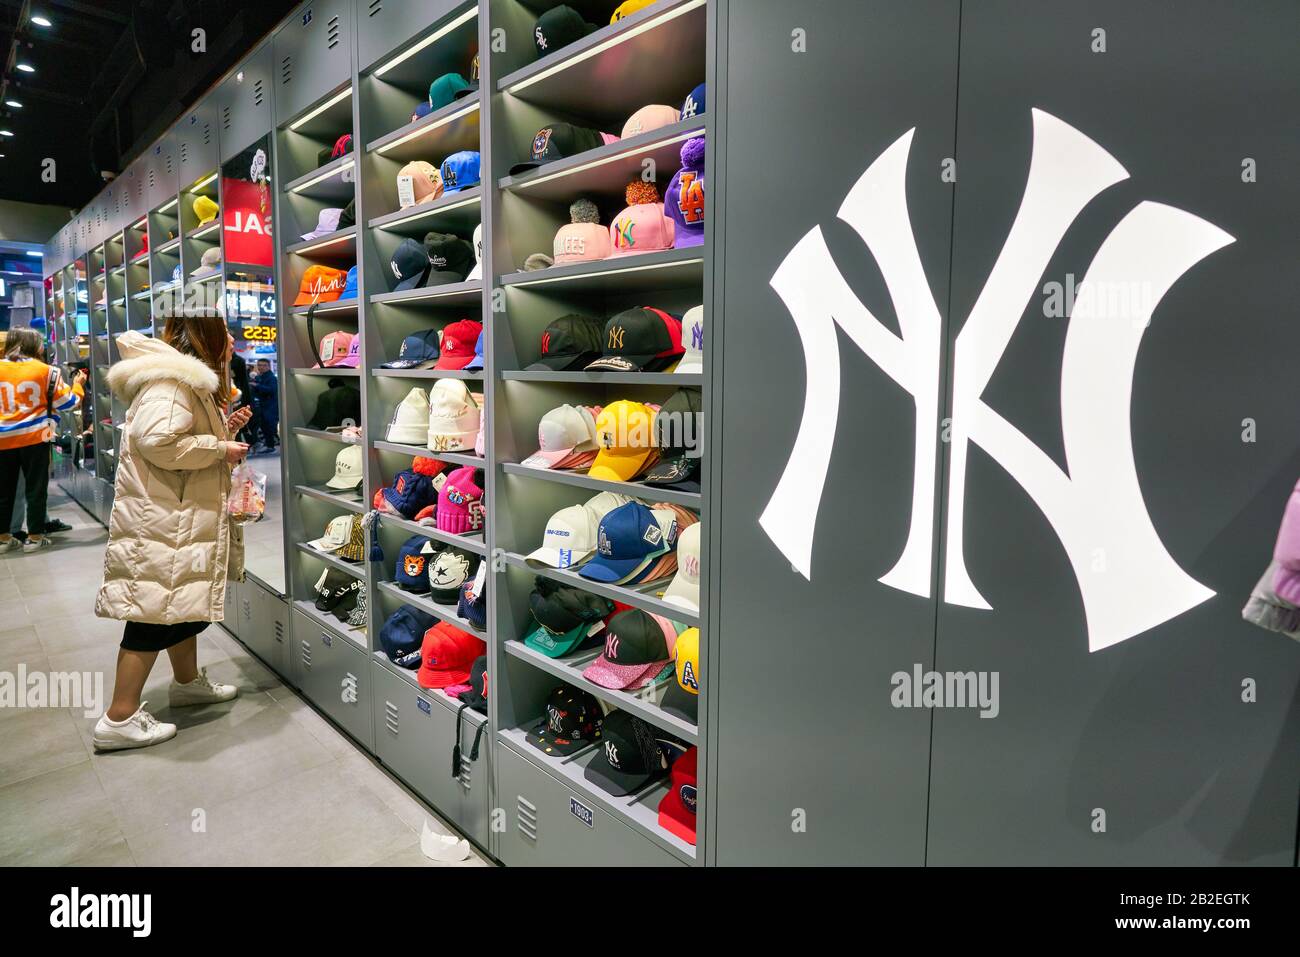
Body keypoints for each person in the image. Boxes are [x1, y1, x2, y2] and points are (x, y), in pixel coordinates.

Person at [92, 315, 252, 751]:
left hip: (175, 516)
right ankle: (118, 718)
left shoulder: (181, 382)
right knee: (150, 616)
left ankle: (186, 684)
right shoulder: (174, 384)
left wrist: (223, 434)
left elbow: (174, 439)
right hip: (164, 521)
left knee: (182, 607)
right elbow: (157, 441)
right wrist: (220, 448)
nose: (233, 340)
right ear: (208, 338)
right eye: (226, 332)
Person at [0, 328, 86, 554]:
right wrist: (79, 384)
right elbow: (70, 402)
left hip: (2, 438)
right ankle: (35, 536)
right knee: (36, 488)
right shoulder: (46, 371)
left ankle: (3, 538)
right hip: (37, 436)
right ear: (33, 345)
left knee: (4, 490)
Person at [248, 357, 279, 453]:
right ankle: (269, 445)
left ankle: (271, 446)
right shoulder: (259, 377)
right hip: (263, 407)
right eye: (259, 365)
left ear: (269, 366)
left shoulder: (271, 378)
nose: (261, 367)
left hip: (271, 407)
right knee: (264, 426)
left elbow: (272, 390)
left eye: (264, 365)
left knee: (269, 427)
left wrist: (257, 386)